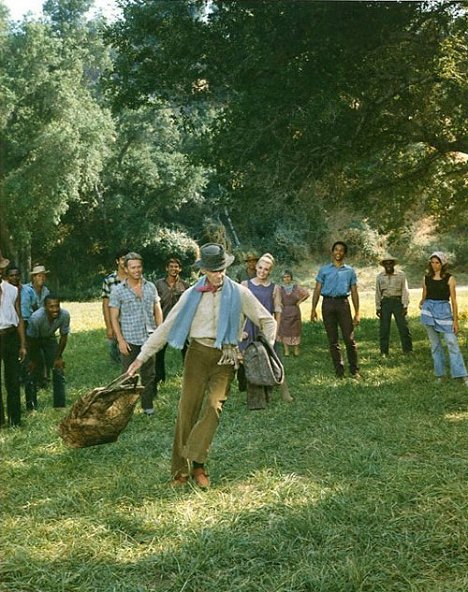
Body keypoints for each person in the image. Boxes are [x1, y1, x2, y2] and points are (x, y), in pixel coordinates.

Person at [126, 243, 276, 488]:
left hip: (226, 357)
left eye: (222, 269)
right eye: (214, 270)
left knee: (213, 408)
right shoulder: (191, 294)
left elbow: (268, 322)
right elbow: (166, 327)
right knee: (187, 411)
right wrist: (141, 357)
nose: (219, 274)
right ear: (204, 270)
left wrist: (264, 351)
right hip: (197, 354)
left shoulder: (239, 292)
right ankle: (180, 472)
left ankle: (197, 462)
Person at [109, 252, 163, 416]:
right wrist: (120, 340)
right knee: (128, 376)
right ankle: (125, 410)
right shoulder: (118, 291)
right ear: (125, 269)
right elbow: (114, 316)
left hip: (149, 338)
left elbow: (157, 310)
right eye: (133, 267)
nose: (137, 270)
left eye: (139, 266)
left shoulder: (150, 287)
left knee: (149, 375)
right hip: (130, 340)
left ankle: (147, 407)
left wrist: (159, 333)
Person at [240, 253, 293, 408]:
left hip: (266, 329)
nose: (262, 271)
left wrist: (274, 332)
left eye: (266, 269)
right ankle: (253, 395)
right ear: (256, 267)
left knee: (274, 359)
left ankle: (284, 392)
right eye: (260, 268)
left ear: (270, 271)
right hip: (249, 327)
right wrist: (240, 330)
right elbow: (240, 310)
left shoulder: (274, 288)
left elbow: (277, 311)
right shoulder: (245, 285)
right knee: (246, 360)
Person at [310, 241, 360, 379]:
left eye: (341, 250)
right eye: (336, 250)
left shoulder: (349, 271)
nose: (338, 252)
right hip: (327, 304)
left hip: (343, 304)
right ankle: (339, 371)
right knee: (333, 340)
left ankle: (354, 370)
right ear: (332, 252)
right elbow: (317, 289)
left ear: (344, 253)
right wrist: (313, 309)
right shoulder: (324, 270)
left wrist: (357, 312)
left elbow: (355, 292)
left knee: (349, 339)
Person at [419, 251, 468, 386]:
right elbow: (424, 296)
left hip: (444, 312)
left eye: (437, 262)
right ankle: (440, 374)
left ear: (443, 263)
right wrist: (421, 303)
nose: (434, 265)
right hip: (429, 311)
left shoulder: (450, 278)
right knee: (435, 345)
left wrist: (455, 321)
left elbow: (454, 301)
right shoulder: (426, 278)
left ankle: (462, 375)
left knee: (452, 343)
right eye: (432, 262)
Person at [26, 294, 70, 409]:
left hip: (49, 338)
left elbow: (63, 337)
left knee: (58, 367)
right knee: (31, 369)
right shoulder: (36, 318)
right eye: (51, 307)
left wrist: (58, 357)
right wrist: (32, 360)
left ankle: (59, 405)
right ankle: (31, 406)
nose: (55, 309)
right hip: (33, 340)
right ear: (45, 307)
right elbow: (31, 341)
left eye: (57, 306)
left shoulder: (64, 315)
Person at [0, 251, 27, 426]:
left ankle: (15, 419)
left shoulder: (11, 290)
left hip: (9, 336)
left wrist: (23, 343)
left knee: (13, 379)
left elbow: (19, 317)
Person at [154, 258, 189, 385]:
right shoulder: (158, 284)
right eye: (171, 266)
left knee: (187, 351)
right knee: (159, 351)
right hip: (163, 323)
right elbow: (153, 304)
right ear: (166, 268)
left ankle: (189, 377)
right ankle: (159, 377)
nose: (174, 269)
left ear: (180, 269)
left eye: (176, 267)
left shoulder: (185, 285)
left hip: (180, 324)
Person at [375, 256, 413, 357]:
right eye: (386, 264)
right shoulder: (380, 277)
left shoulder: (401, 275)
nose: (388, 265)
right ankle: (384, 351)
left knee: (403, 326)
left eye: (390, 263)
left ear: (393, 264)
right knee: (384, 328)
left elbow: (405, 290)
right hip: (385, 303)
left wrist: (405, 305)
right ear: (384, 265)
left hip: (397, 302)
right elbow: (378, 292)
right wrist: (378, 307)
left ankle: (408, 350)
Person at [101, 249, 128, 364]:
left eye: (127, 259)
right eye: (122, 259)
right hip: (115, 319)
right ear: (117, 261)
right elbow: (106, 305)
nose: (125, 262)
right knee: (114, 351)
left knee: (129, 351)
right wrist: (109, 326)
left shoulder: (135, 278)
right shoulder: (109, 280)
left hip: (131, 320)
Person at [277, 269, 310, 357]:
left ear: (291, 278)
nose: (286, 279)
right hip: (285, 311)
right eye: (284, 277)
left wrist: (300, 301)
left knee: (295, 330)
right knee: (284, 330)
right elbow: (275, 298)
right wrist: (280, 304)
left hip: (294, 310)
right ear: (282, 279)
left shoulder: (296, 287)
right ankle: (286, 350)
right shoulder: (280, 288)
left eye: (288, 276)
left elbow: (307, 294)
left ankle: (296, 350)